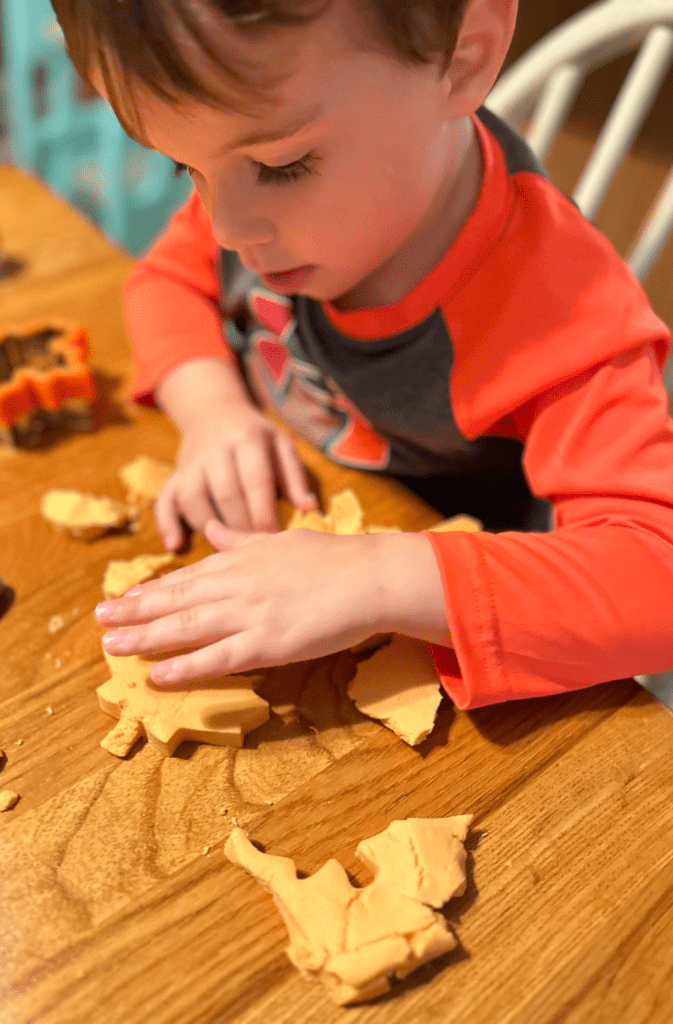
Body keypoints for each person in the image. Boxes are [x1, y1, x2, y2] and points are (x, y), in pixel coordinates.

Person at [51, 0, 673, 707]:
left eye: (282, 165)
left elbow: (657, 571)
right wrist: (212, 410)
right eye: (181, 166)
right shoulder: (254, 189)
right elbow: (167, 278)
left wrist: (381, 578)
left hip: (453, 630)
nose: (225, 226)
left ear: (461, 60)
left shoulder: (561, 307)